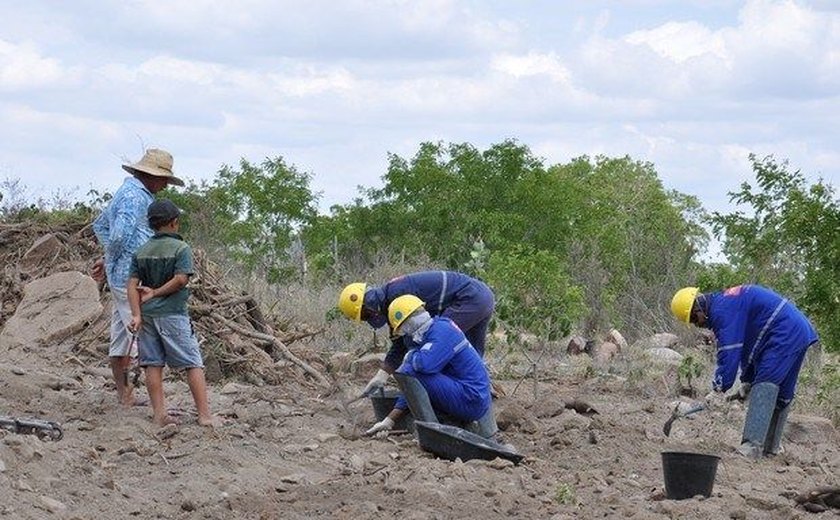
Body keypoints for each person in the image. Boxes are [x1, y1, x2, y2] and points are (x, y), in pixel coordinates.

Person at [671, 284, 819, 459]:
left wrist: (719, 388)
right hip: (795, 329)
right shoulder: (727, 303)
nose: (697, 325)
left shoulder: (722, 311)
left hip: (784, 330)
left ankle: (752, 446)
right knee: (782, 391)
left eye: (694, 320)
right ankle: (770, 450)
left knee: (766, 381)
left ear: (698, 309)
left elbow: (730, 349)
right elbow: (747, 349)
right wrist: (747, 380)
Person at [92, 149, 184, 406]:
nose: (165, 184)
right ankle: (155, 406)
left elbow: (100, 225)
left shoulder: (128, 193)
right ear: (150, 175)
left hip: (121, 273)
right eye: (163, 178)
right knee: (142, 335)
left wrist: (107, 257)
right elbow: (119, 235)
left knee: (121, 338)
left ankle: (126, 396)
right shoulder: (134, 197)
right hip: (130, 277)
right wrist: (112, 258)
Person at [126, 199, 216, 427]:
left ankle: (159, 414)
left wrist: (136, 314)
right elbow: (181, 279)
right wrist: (156, 293)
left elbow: (132, 285)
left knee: (152, 363)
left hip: (147, 316)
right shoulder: (181, 248)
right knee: (192, 362)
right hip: (173, 314)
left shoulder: (141, 251)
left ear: (151, 224)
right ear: (175, 223)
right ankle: (205, 415)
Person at [338, 271, 495, 396]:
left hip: (468, 299)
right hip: (482, 296)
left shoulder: (397, 295)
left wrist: (410, 365)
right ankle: (482, 397)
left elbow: (412, 343)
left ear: (368, 306)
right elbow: (399, 343)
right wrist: (382, 375)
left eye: (364, 316)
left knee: (435, 351)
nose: (367, 319)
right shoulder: (390, 297)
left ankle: (454, 402)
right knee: (471, 354)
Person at [365, 295, 495, 439]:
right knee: (410, 371)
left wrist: (410, 355)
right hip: (469, 395)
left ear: (409, 322)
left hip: (471, 398)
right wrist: (389, 420)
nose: (405, 334)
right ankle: (446, 423)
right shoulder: (436, 329)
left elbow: (420, 367)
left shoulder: (442, 332)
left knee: (409, 370)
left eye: (402, 329)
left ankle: (434, 435)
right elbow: (412, 386)